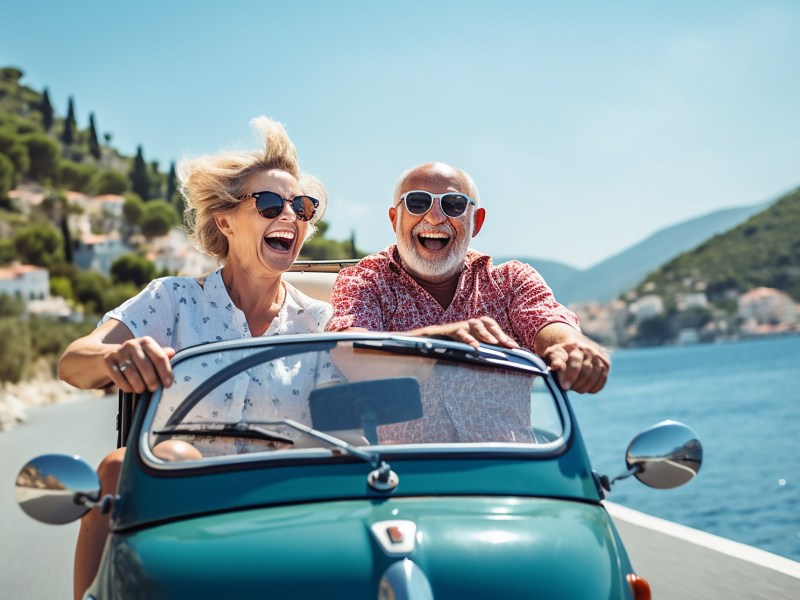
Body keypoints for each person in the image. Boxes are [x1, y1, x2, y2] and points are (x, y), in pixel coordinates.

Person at [58, 116, 332, 600]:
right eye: (270, 203)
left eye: (302, 207)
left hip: (286, 515)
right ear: (225, 221)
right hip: (174, 514)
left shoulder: (323, 323)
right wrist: (117, 355)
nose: (289, 215)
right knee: (120, 468)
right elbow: (74, 362)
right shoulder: (172, 300)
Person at [326, 161, 609, 395]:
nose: (435, 217)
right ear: (394, 219)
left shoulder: (510, 282)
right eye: (418, 202)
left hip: (509, 461)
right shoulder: (363, 281)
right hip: (404, 464)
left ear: (477, 222)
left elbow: (550, 323)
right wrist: (434, 342)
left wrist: (573, 346)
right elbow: (349, 354)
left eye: (453, 205)